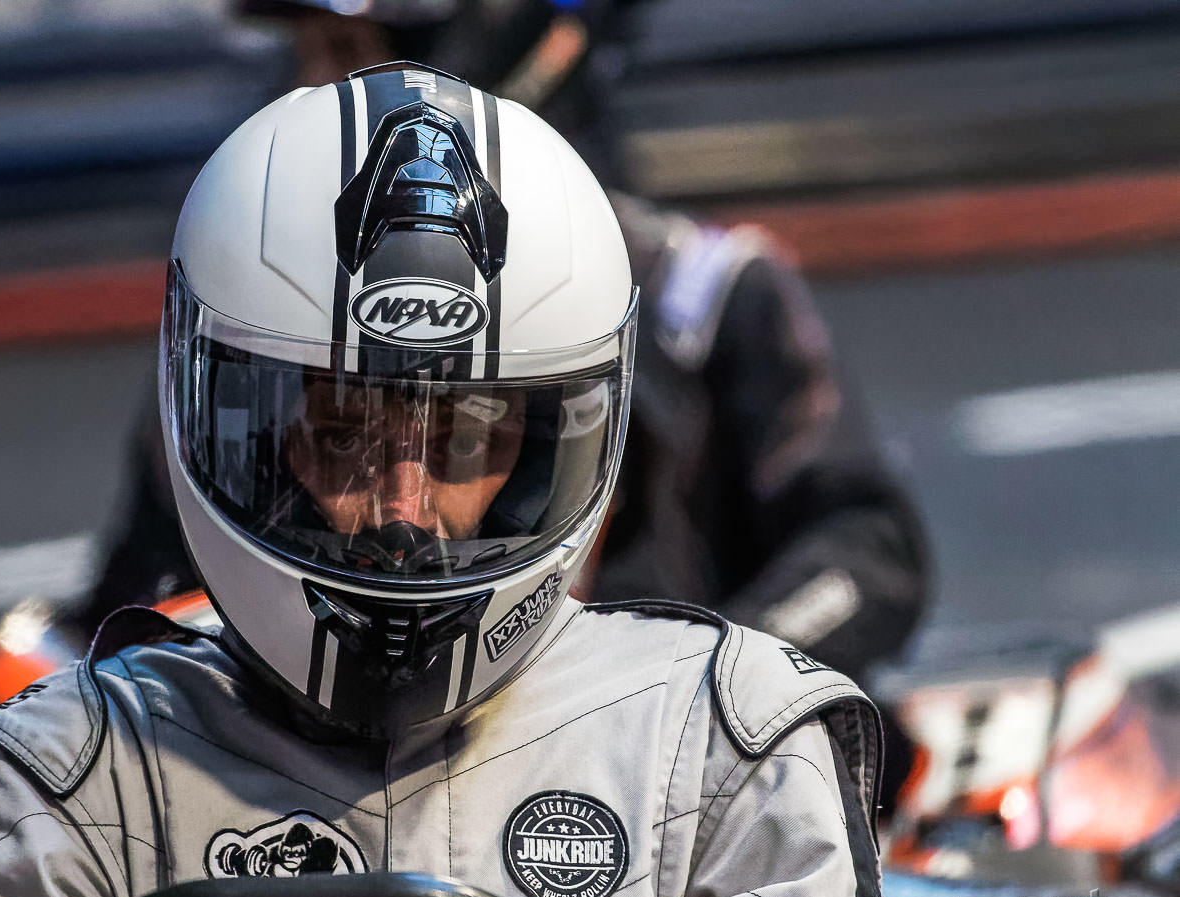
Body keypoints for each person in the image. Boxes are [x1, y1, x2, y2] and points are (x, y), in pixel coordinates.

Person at [0, 66, 943, 897]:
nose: (401, 512)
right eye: (341, 433)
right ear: (244, 437)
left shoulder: (728, 750)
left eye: (465, 438)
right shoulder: (72, 774)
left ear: (552, 448)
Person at [74, 0, 930, 686]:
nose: (312, 86)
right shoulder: (240, 328)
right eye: (337, 431)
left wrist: (706, 690)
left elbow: (867, 551)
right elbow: (132, 605)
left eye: (346, 52)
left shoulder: (698, 295)